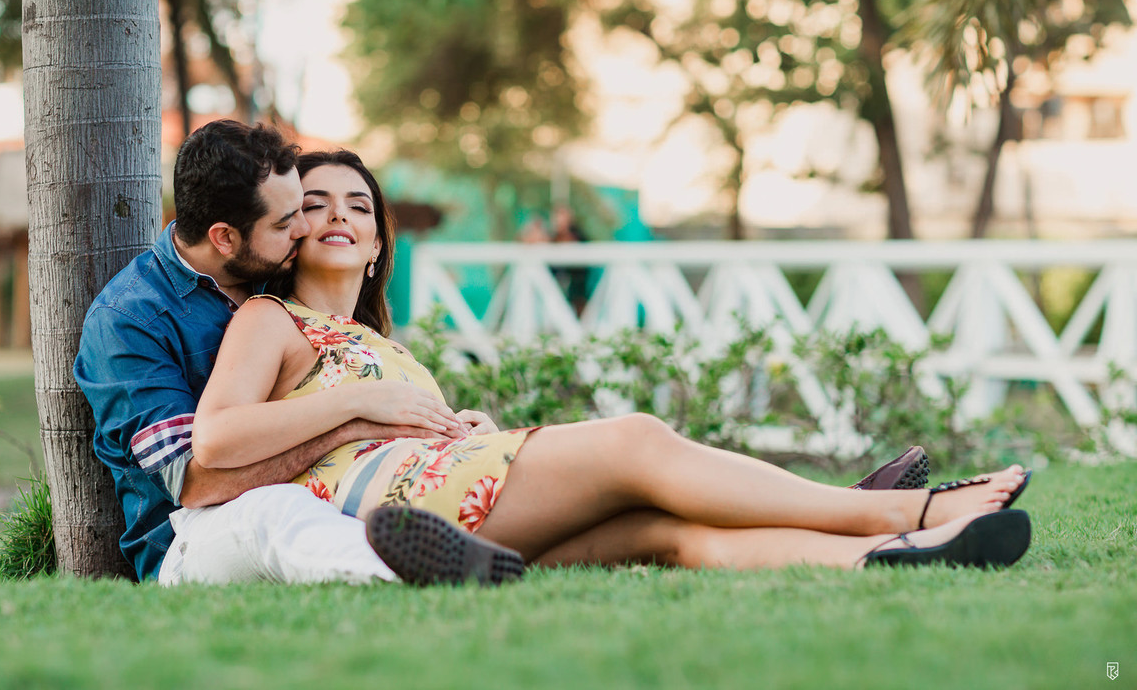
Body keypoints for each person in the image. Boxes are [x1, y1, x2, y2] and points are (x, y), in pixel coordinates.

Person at [193, 149, 1034, 574]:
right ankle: (895, 511)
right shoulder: (274, 318)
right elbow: (217, 439)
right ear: (291, 232)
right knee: (634, 440)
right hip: (388, 508)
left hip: (450, 489)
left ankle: (884, 556)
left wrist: (459, 421)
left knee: (664, 533)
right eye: (314, 204)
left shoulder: (390, 347)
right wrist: (359, 404)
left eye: (358, 205)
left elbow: (401, 416)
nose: (338, 214)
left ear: (379, 245)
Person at [75, 120, 522, 586]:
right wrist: (355, 423)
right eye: (289, 220)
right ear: (225, 237)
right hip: (194, 534)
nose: (307, 227)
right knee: (278, 510)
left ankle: (488, 550)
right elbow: (195, 484)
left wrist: (456, 438)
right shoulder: (128, 322)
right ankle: (424, 572)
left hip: (325, 493)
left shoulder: (275, 272)